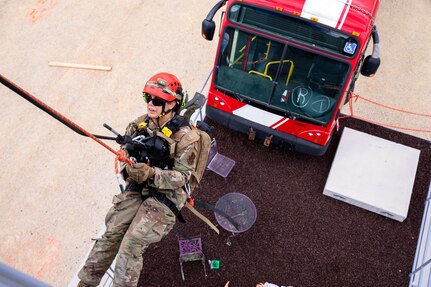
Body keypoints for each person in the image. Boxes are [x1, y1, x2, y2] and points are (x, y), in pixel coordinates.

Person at [77, 72, 200, 287]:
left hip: (166, 195)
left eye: (158, 100)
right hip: (139, 186)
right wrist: (129, 165)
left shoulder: (187, 138)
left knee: (131, 244)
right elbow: (125, 152)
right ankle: (86, 283)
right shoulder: (140, 125)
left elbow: (182, 177)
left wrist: (151, 174)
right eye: (147, 98)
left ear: (173, 104)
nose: (151, 104)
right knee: (112, 235)